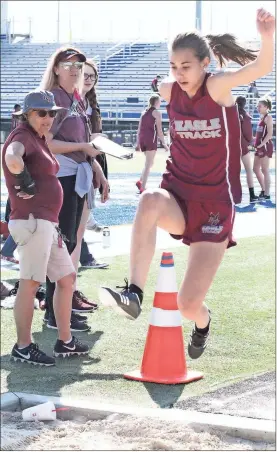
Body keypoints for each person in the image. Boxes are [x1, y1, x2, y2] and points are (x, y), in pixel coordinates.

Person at [99, 8, 275, 360]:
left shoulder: (216, 86)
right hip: (177, 195)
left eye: (186, 66)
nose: (179, 74)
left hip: (214, 205)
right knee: (149, 199)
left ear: (205, 63)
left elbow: (259, 69)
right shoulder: (168, 89)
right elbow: (158, 84)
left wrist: (267, 35)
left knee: (187, 304)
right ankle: (133, 293)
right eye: (174, 67)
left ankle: (204, 323)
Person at [2, 90, 89, 365]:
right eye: (42, 113)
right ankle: (23, 346)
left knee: (66, 278)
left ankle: (65, 341)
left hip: (45, 223)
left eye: (52, 113)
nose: (48, 118)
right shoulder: (22, 136)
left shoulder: (37, 139)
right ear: (27, 115)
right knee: (30, 284)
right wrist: (23, 177)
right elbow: (11, 156)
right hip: (32, 221)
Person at [40, 46, 108, 330]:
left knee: (67, 245)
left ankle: (61, 309)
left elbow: (83, 146)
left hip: (76, 174)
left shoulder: (76, 97)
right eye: (67, 65)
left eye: (78, 66)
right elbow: (47, 143)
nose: (74, 70)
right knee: (61, 245)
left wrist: (97, 170)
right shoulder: (54, 98)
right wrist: (83, 148)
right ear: (55, 68)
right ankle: (55, 314)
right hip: (61, 178)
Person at [71, 58, 109, 271]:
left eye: (92, 76)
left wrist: (99, 171)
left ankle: (74, 274)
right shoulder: (68, 101)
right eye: (84, 74)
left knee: (76, 227)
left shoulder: (91, 106)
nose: (88, 79)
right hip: (66, 168)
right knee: (65, 228)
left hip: (85, 165)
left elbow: (91, 145)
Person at [135, 95, 169, 193]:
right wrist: (164, 144)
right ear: (156, 102)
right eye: (160, 101)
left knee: (149, 163)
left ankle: (140, 181)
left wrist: (138, 143)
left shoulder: (144, 113)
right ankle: (142, 187)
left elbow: (139, 129)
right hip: (150, 139)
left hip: (143, 139)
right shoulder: (157, 113)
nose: (160, 103)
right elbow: (159, 130)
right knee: (148, 163)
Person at [235, 96, 258, 203]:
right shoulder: (245, 116)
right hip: (243, 146)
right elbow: (248, 135)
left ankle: (234, 194)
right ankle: (252, 194)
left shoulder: (230, 114)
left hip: (231, 146)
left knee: (232, 171)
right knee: (249, 170)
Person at [253, 97, 274, 200]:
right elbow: (259, 134)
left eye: (259, 106)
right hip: (259, 146)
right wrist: (254, 141)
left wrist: (261, 145)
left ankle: (267, 193)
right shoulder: (261, 118)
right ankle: (263, 189)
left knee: (265, 169)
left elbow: (270, 134)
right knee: (255, 169)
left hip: (265, 146)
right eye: (257, 106)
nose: (258, 107)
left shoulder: (268, 117)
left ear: (266, 107)